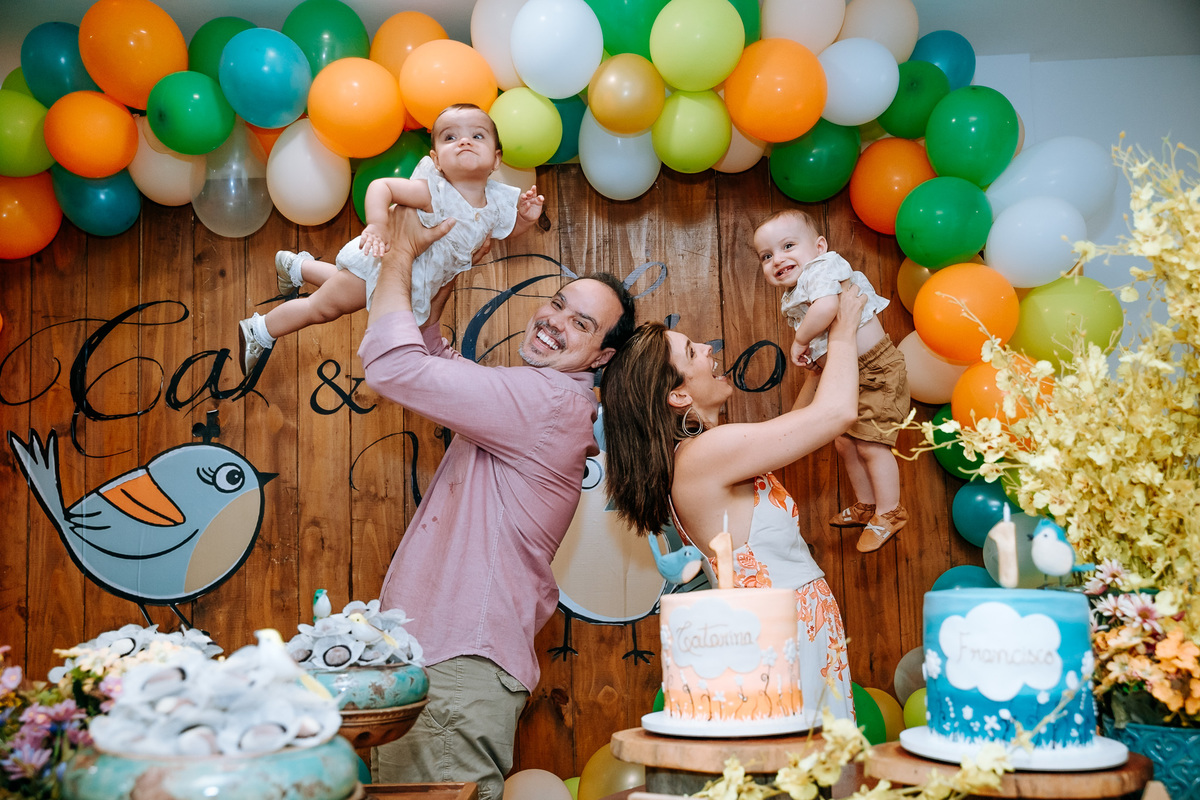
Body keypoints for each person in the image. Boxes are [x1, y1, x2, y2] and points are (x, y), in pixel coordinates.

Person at [358, 203, 635, 800]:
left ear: (601, 357)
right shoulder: (541, 399)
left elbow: (393, 367)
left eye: (581, 324)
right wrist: (449, 263)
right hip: (439, 665)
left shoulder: (546, 402)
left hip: (453, 668)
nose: (554, 321)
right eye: (557, 303)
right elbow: (429, 352)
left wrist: (401, 249)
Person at [600, 287, 867, 723]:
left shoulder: (697, 456)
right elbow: (837, 414)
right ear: (678, 396)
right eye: (692, 352)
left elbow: (791, 433)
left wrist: (816, 375)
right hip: (782, 636)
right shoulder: (705, 454)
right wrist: (845, 328)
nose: (708, 349)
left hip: (792, 629)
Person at [237, 103, 545, 375]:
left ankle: (295, 266)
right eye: (450, 137)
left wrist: (525, 219)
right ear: (437, 160)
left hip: (411, 280)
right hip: (385, 264)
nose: (464, 141)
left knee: (351, 290)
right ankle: (260, 329)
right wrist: (378, 224)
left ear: (496, 159)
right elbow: (381, 187)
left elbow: (504, 232)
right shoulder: (433, 191)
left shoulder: (495, 202)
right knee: (323, 307)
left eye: (477, 135)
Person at [753, 209, 910, 553]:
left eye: (788, 246)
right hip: (851, 374)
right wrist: (818, 358)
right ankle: (867, 503)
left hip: (876, 370)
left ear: (819, 246)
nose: (777, 259)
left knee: (872, 444)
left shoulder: (823, 268)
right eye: (766, 255)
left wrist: (800, 342)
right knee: (845, 443)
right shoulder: (799, 287)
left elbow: (826, 310)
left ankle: (890, 511)